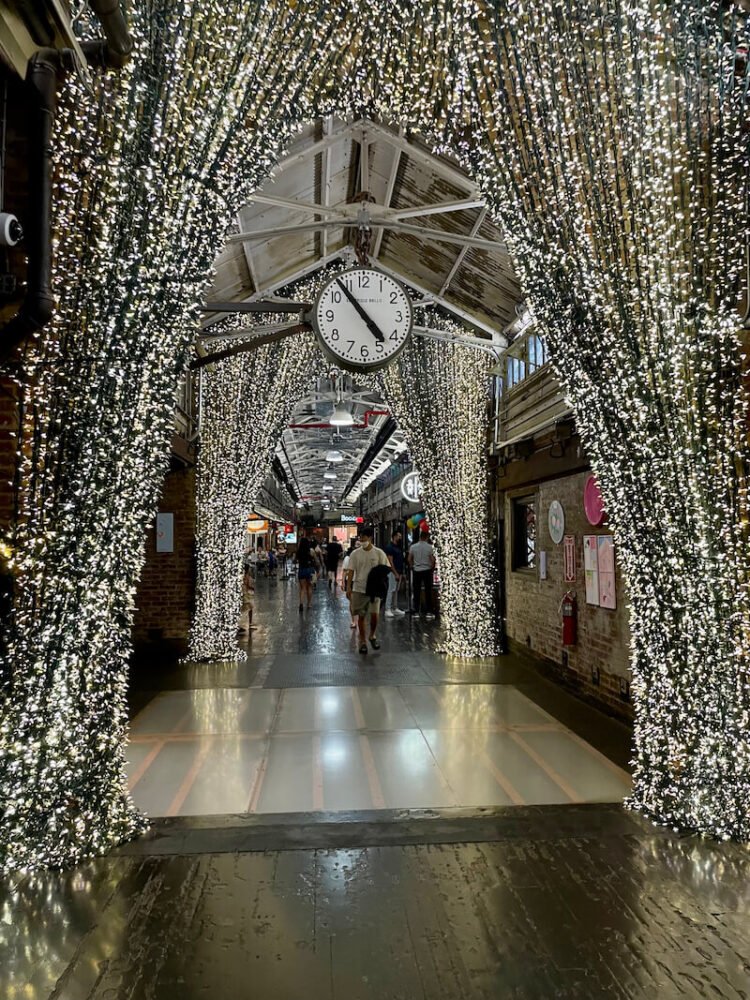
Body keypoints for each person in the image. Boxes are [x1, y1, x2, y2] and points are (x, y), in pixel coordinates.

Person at [345, 527, 390, 655]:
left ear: (370, 538)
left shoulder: (379, 553)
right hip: (359, 589)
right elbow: (351, 571)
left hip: (374, 590)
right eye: (360, 537)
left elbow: (386, 568)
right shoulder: (355, 554)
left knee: (375, 615)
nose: (362, 539)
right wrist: (348, 588)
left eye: (364, 537)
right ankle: (363, 641)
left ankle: (372, 635)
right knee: (361, 616)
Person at [409, 530, 436, 619]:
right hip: (427, 570)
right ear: (426, 537)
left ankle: (416, 611)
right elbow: (432, 560)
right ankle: (429, 611)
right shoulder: (429, 547)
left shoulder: (413, 547)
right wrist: (431, 569)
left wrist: (412, 566)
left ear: (420, 537)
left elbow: (409, 559)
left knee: (416, 591)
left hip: (417, 570)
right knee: (428, 590)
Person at [384, 530, 406, 618]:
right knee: (391, 589)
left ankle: (394, 607)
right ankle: (388, 608)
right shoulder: (390, 547)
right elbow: (390, 561)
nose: (400, 538)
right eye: (399, 536)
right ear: (394, 536)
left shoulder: (398, 547)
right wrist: (395, 572)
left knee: (396, 590)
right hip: (392, 572)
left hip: (399, 571)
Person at [296, 527, 316, 612]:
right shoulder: (310, 551)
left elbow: (295, 560)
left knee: (302, 588)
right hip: (309, 569)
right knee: (309, 587)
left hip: (301, 570)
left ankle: (301, 603)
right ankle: (309, 604)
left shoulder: (299, 552)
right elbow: (315, 560)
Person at [342, 539, 360, 628]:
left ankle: (357, 620)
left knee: (357, 602)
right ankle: (354, 620)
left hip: (359, 581)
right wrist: (343, 582)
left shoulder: (363, 557)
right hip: (351, 581)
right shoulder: (348, 558)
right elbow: (345, 571)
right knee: (352, 602)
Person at [238, 567, 255, 633]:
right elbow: (248, 585)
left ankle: (249, 623)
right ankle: (249, 623)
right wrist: (253, 588)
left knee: (248, 608)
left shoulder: (243, 576)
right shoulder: (246, 576)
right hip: (246, 594)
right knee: (249, 607)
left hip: (245, 593)